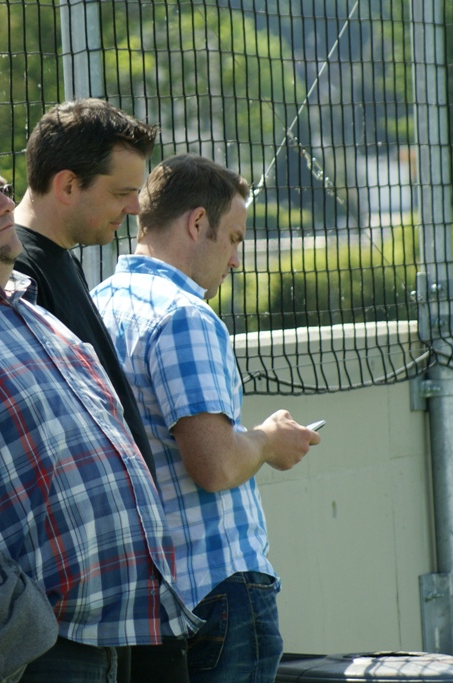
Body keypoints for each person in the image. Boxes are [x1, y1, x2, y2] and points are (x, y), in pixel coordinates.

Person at [0, 135, 200, 683]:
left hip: (116, 633)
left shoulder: (31, 312)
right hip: (38, 653)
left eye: (4, 189)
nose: (9, 203)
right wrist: (14, 622)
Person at [91, 153, 322, 683]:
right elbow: (215, 465)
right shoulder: (184, 316)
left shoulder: (97, 305)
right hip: (216, 593)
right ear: (198, 223)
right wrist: (267, 440)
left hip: (143, 598)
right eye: (234, 239)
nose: (236, 260)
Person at [12, 98, 159, 482]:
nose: (135, 207)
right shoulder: (18, 274)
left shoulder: (58, 257)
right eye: (121, 193)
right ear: (68, 185)